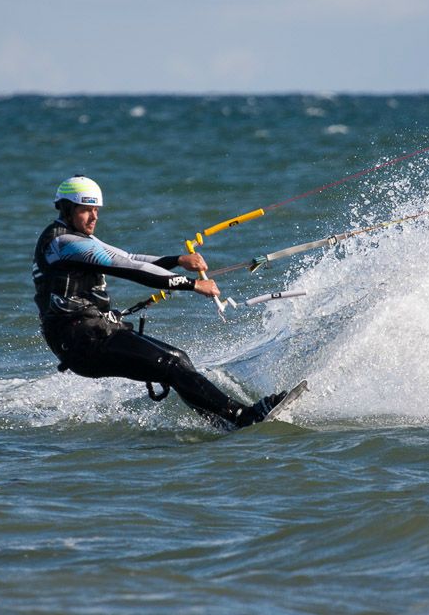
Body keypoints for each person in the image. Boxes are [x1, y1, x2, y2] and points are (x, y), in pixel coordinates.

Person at [32, 175, 286, 429]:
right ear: (67, 209)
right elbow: (130, 268)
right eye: (86, 210)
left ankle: (222, 422)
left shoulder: (77, 239)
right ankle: (243, 417)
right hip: (81, 340)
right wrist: (192, 284)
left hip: (92, 333)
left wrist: (177, 260)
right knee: (172, 364)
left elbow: (129, 257)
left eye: (96, 209)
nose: (94, 217)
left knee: (179, 359)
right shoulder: (63, 243)